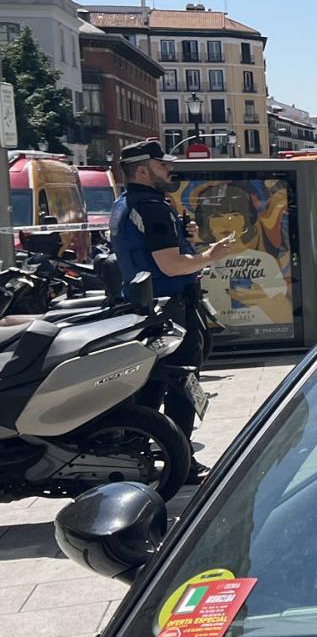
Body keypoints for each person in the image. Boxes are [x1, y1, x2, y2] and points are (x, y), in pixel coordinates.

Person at [109, 140, 236, 480]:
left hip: (149, 306)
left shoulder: (126, 203)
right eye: (162, 165)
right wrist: (211, 256)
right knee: (181, 386)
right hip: (171, 311)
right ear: (142, 170)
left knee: (152, 386)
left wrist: (184, 235)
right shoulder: (152, 207)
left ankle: (140, 454)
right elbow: (171, 265)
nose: (170, 170)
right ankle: (181, 460)